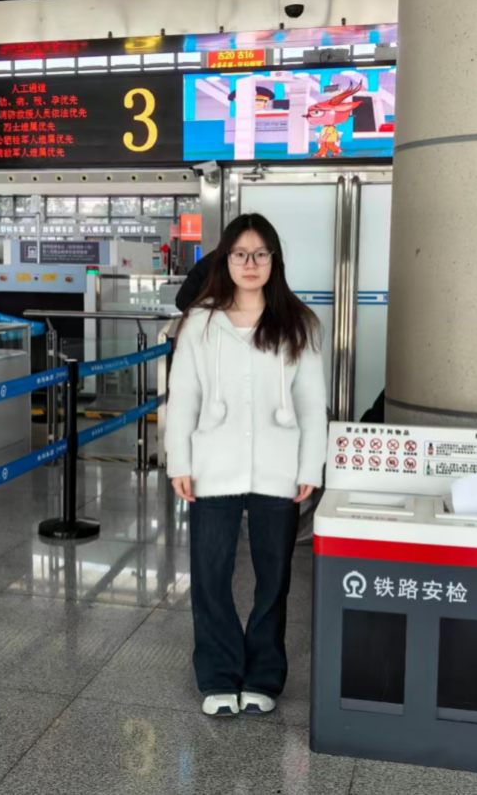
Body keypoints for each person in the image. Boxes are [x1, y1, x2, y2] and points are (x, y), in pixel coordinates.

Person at [166, 212, 327, 717]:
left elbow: (311, 403)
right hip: (213, 463)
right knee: (210, 574)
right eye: (240, 254)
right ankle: (218, 675)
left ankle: (263, 676)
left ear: (274, 259)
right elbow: (184, 396)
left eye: (260, 254)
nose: (250, 263)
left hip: (278, 467)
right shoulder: (201, 322)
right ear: (225, 259)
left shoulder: (298, 323)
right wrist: (179, 461)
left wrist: (310, 467)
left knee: (273, 579)